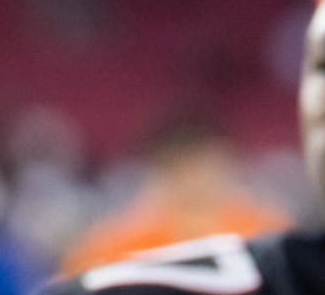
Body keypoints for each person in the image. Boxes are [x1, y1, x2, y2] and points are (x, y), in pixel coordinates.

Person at [35, 0, 325, 295]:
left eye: (210, 164)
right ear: (163, 169)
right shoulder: (112, 248)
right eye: (321, 65)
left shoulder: (266, 234)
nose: (202, 178)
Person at [55, 113, 289, 277]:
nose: (197, 181)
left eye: (205, 166)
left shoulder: (264, 235)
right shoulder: (113, 247)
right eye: (184, 169)